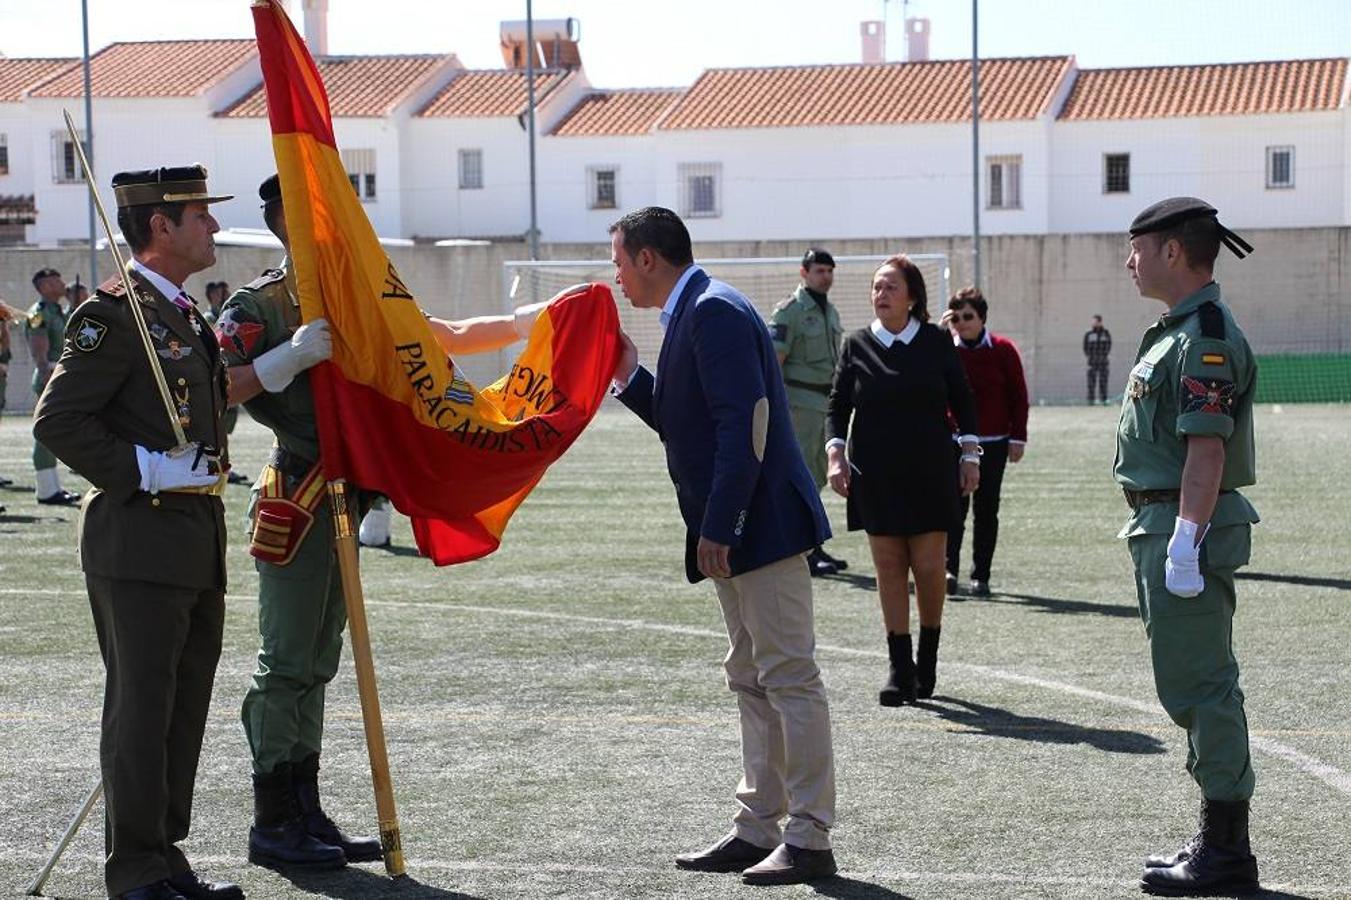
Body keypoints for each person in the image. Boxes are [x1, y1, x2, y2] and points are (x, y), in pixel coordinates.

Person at [218, 173, 554, 871]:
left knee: (317, 661)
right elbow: (215, 386)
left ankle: (304, 810)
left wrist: (532, 324)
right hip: (300, 492)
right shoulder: (260, 305)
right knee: (284, 664)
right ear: (283, 221)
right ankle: (272, 816)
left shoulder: (364, 292)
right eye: (317, 213)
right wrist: (287, 359)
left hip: (349, 495)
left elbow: (436, 340)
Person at [609, 207, 838, 886]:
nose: (615, 275)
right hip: (740, 528)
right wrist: (628, 377)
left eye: (618, 260)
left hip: (757, 528)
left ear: (648, 258)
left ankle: (808, 835)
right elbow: (693, 423)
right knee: (750, 676)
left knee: (788, 676)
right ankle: (758, 826)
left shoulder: (711, 312)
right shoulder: (694, 312)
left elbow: (749, 425)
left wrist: (722, 524)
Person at [33, 165, 242, 900]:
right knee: (142, 711)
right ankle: (133, 871)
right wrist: (148, 469)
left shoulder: (181, 316)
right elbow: (58, 421)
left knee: (181, 712)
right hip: (138, 539)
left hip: (193, 543)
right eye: (200, 216)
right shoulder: (113, 317)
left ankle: (162, 853)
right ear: (161, 226)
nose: (213, 227)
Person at [1116, 198, 1262, 897]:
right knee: (1190, 686)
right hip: (1167, 522)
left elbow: (1206, 447)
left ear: (1172, 251)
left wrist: (1183, 541)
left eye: (1137, 247)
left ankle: (1226, 850)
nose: (1129, 260)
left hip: (1186, 526)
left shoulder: (1202, 334)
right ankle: (1216, 838)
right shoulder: (1173, 331)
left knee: (1202, 687)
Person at [826, 255, 979, 705]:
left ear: (912, 296)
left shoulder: (935, 342)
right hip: (874, 472)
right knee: (889, 568)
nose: (881, 294)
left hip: (930, 470)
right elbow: (837, 407)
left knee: (929, 569)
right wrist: (836, 456)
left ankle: (927, 658)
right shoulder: (855, 344)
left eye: (890, 286)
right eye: (876, 287)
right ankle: (899, 668)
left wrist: (970, 455)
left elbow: (963, 400)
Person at [940, 287, 1029, 598]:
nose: (961, 323)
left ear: (982, 318)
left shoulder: (1003, 350)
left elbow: (1018, 396)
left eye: (968, 316)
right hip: (954, 442)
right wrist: (939, 335)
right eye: (956, 318)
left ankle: (981, 575)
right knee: (954, 508)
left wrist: (1018, 437)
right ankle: (948, 570)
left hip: (993, 442)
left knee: (987, 509)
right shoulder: (945, 348)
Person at [769, 248, 847, 576]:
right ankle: (802, 548)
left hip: (824, 404)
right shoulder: (790, 311)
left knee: (816, 475)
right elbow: (774, 363)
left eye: (829, 271)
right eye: (819, 271)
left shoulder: (830, 312)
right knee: (800, 476)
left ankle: (811, 544)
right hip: (799, 404)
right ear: (804, 273)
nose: (825, 276)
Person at [26, 268, 81, 505]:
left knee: (54, 432)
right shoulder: (38, 313)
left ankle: (52, 487)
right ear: (46, 286)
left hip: (59, 374)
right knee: (45, 434)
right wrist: (48, 374)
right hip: (49, 375)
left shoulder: (57, 310)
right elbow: (39, 348)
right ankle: (46, 490)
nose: (62, 284)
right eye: (57, 281)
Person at [202, 282, 248, 484]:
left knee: (225, 429)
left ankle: (224, 467)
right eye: (223, 293)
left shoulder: (225, 317)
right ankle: (218, 468)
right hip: (214, 383)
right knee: (216, 429)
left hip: (228, 379)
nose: (227, 296)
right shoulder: (209, 319)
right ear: (213, 295)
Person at [1085, 314, 1112, 405]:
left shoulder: (1105, 333)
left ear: (1100, 322)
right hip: (1092, 363)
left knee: (1103, 382)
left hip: (1103, 362)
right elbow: (1085, 347)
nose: (1094, 323)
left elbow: (1109, 346)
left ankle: (1103, 400)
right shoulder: (1089, 334)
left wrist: (1102, 356)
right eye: (1093, 322)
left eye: (1096, 322)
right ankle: (1091, 400)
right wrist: (1091, 356)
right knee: (1091, 382)